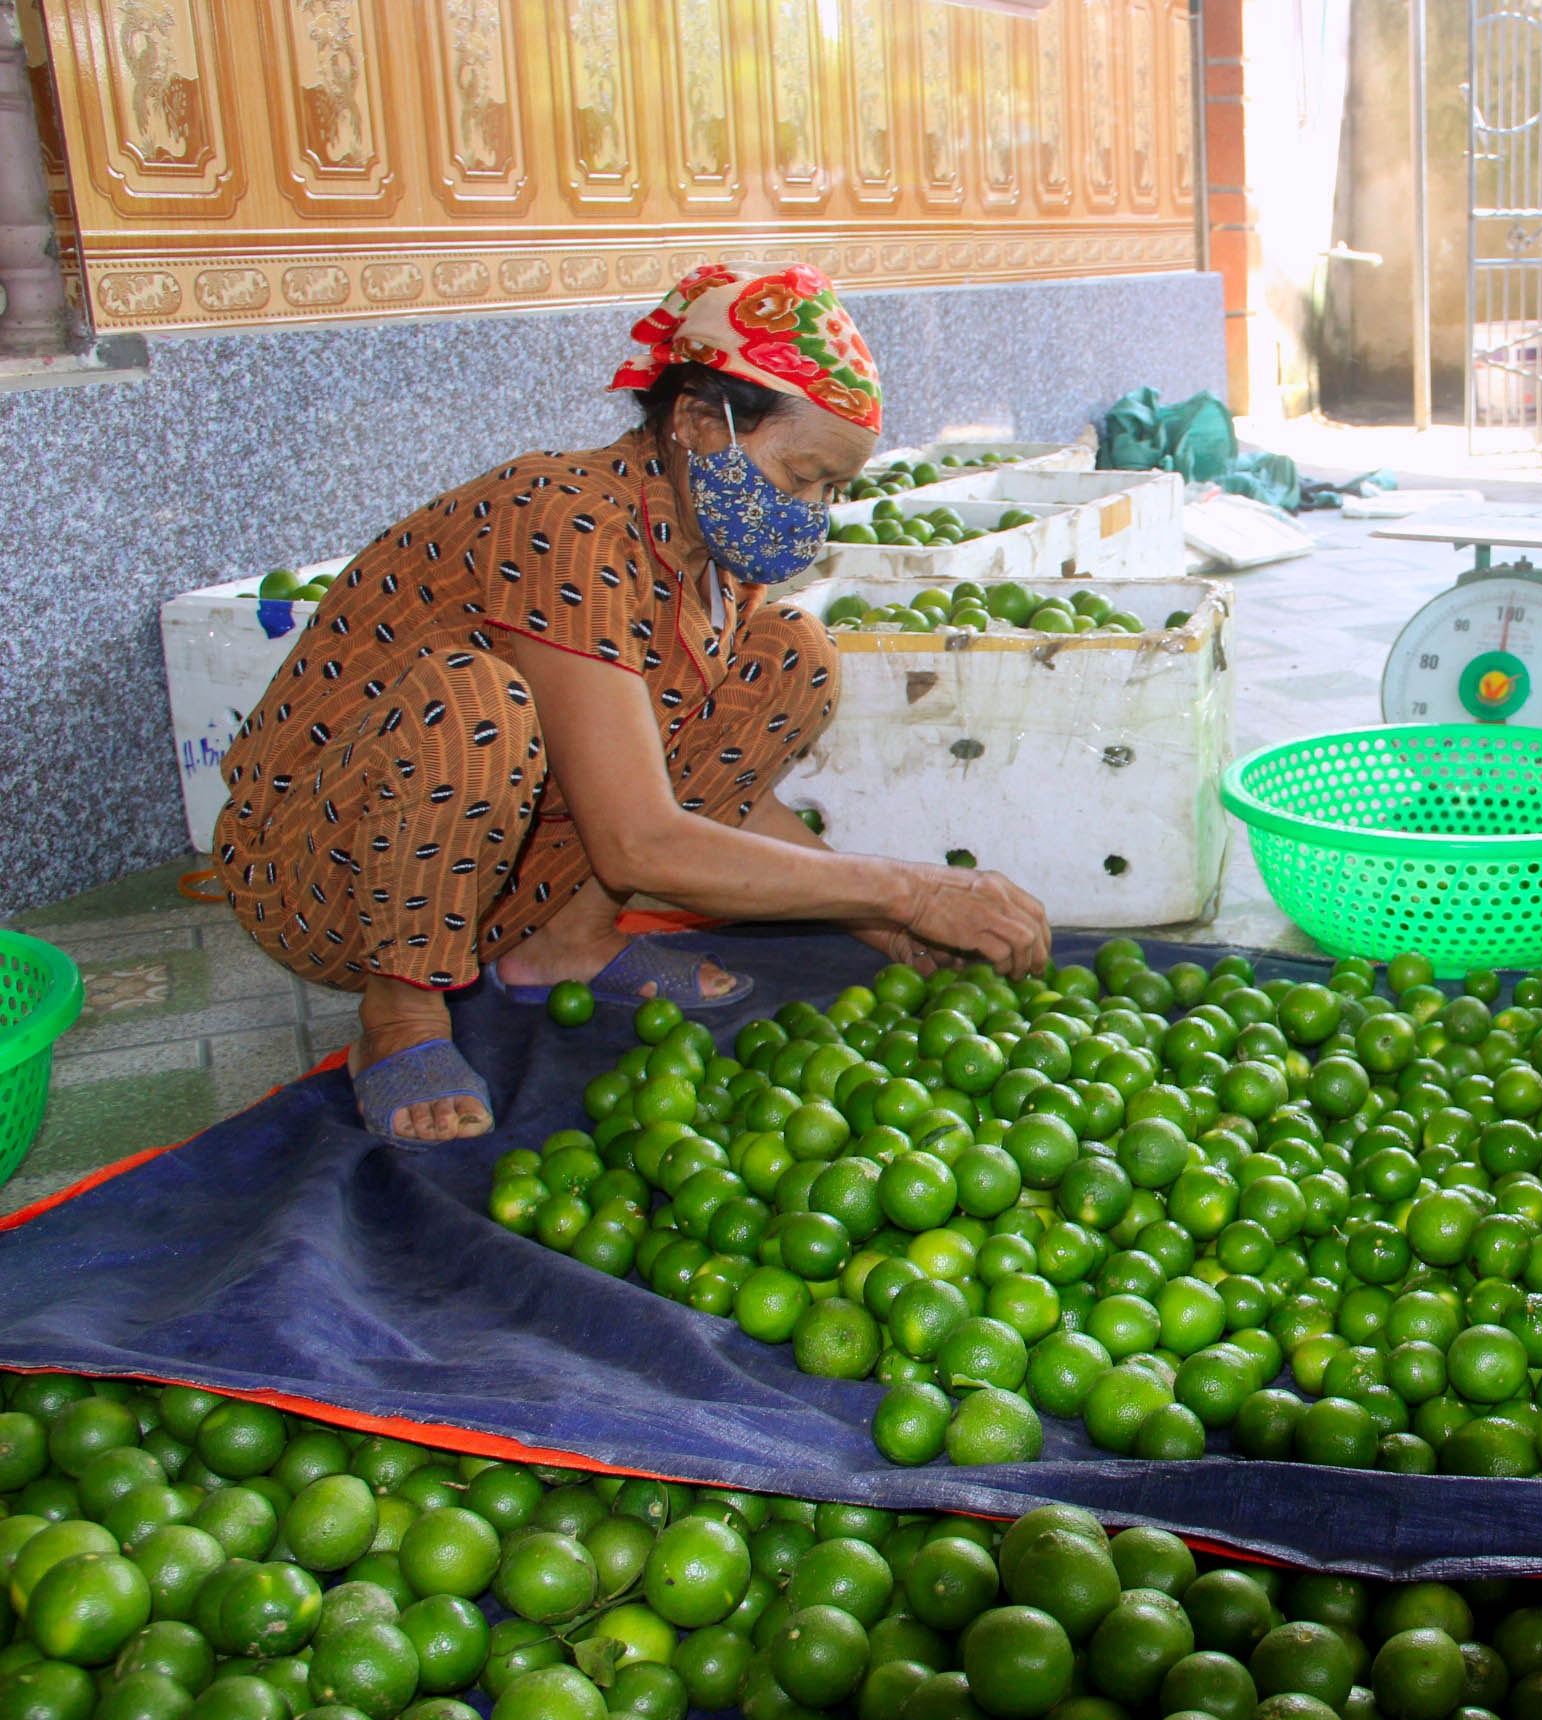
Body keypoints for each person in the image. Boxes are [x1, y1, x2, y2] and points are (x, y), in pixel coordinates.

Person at [212, 263, 1053, 1151]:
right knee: (475, 707)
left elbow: (702, 788)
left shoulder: (710, 564)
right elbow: (641, 837)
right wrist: (912, 891)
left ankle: (569, 940)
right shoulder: (566, 524)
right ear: (697, 422)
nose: (810, 513)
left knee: (792, 658)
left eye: (831, 492)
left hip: (491, 872)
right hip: (330, 862)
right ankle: (402, 1008)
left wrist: (874, 920)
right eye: (801, 475)